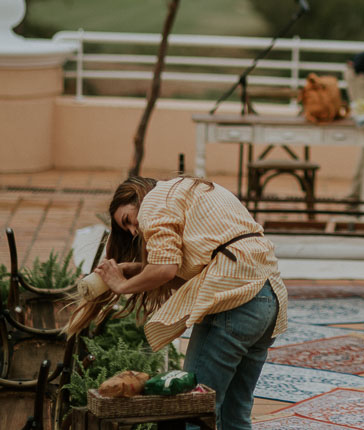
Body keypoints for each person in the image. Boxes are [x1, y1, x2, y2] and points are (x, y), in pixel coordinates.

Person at [68, 176, 288, 430]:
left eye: (128, 220)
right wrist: (136, 269)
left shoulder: (153, 202)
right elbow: (196, 268)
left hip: (233, 303)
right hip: (268, 301)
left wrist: (122, 286)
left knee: (195, 412)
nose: (133, 230)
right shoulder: (188, 193)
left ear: (136, 197)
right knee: (234, 415)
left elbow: (166, 270)